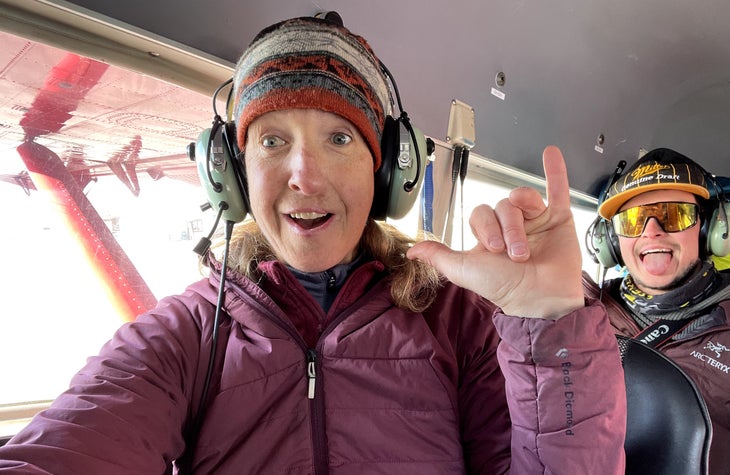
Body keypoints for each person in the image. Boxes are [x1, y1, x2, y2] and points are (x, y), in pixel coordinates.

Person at [0, 16, 626, 474]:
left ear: (387, 174)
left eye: (340, 139)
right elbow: (73, 441)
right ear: (234, 172)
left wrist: (551, 326)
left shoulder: (456, 320)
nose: (305, 175)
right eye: (271, 141)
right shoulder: (190, 331)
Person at [584, 147, 730, 474]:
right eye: (632, 221)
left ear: (709, 229)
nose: (651, 231)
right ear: (611, 241)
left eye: (674, 214)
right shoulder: (578, 313)